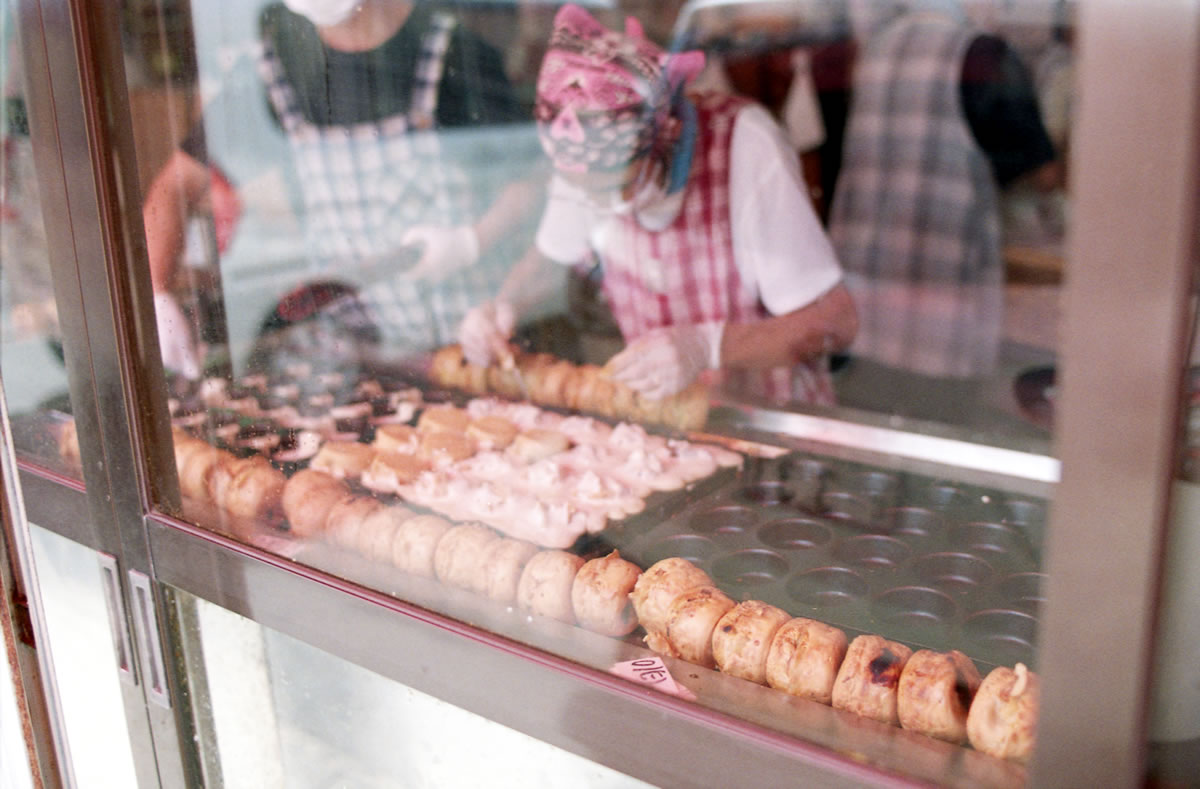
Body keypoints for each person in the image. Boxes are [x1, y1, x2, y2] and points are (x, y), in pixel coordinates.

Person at [459, 3, 858, 406]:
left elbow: (835, 322)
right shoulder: (584, 156)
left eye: (612, 186)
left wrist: (706, 345)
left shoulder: (745, 147)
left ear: (660, 142)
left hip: (769, 419)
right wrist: (503, 309)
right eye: (582, 188)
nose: (596, 204)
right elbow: (549, 261)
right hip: (671, 424)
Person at [142, 0, 542, 380]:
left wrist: (473, 240)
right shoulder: (280, 65)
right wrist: (156, 294)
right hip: (362, 363)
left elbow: (534, 179)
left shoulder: (450, 50)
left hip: (472, 345)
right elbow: (174, 186)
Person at [827, 1, 1061, 415]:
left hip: (867, 295)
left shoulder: (875, 49)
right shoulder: (981, 54)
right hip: (941, 298)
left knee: (872, 424)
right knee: (937, 429)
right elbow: (1038, 170)